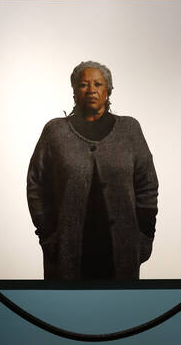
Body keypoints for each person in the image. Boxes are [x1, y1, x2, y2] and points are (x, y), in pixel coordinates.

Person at [27, 60, 158, 281]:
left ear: (108, 91)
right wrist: (48, 235)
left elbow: (147, 184)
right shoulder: (55, 132)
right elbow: (36, 185)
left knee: (120, 311)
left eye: (98, 84)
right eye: (83, 84)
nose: (91, 90)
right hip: (67, 248)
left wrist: (144, 235)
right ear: (74, 91)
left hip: (121, 247)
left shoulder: (129, 130)